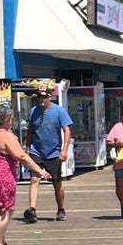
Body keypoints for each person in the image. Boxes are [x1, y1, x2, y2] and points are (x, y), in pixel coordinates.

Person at [0, 104, 45, 245]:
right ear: (6, 119)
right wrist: (39, 171)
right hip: (1, 174)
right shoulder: (6, 135)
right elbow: (21, 156)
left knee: (4, 208)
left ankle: (2, 239)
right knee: (4, 209)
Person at [24, 86, 74, 224]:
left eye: (44, 97)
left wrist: (64, 150)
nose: (41, 100)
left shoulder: (59, 111)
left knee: (56, 183)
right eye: (39, 97)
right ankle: (32, 210)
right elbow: (30, 131)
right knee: (34, 179)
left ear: (49, 97)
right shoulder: (33, 111)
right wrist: (27, 148)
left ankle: (61, 208)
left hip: (53, 152)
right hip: (36, 150)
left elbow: (67, 130)